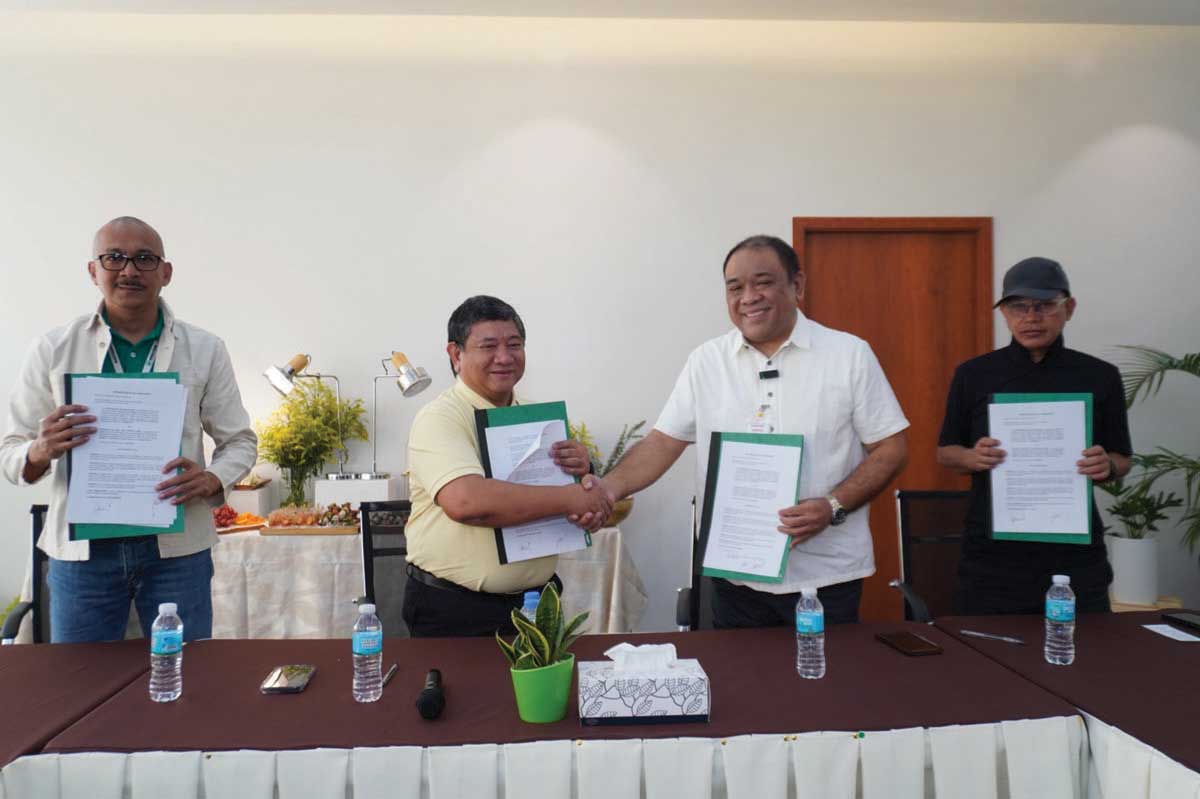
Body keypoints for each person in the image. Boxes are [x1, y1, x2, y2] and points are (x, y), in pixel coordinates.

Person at [585, 235, 909, 626]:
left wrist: (833, 505)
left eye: (763, 282)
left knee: (823, 684)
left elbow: (892, 447)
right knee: (741, 684)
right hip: (735, 577)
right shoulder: (706, 361)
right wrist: (606, 490)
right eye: (735, 287)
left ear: (798, 286)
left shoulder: (848, 355)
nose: (748, 297)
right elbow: (661, 443)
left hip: (824, 576)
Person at [0, 216, 257, 642]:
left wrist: (213, 477)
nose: (129, 270)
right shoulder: (54, 348)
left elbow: (240, 441)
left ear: (166, 272)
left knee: (185, 678)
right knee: (82, 685)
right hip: (84, 557)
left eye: (144, 258)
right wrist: (40, 450)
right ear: (93, 271)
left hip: (176, 550)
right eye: (114, 258)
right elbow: (11, 452)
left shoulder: (205, 348)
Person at [402, 295, 611, 637]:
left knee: (544, 693)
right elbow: (467, 502)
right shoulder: (440, 418)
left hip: (536, 605)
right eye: (488, 346)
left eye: (514, 344)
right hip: (455, 610)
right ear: (456, 355)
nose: (504, 357)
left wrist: (586, 480)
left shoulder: (537, 420)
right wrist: (569, 499)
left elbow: (572, 508)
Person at [936, 256, 1131, 614]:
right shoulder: (974, 374)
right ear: (1004, 313)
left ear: (1068, 308)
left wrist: (1108, 464)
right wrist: (971, 457)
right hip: (991, 558)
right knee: (984, 660)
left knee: (1086, 658)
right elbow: (945, 451)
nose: (1030, 318)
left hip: (1076, 557)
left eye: (1044, 306)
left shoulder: (1100, 375)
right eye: (1018, 307)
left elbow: (1123, 457)